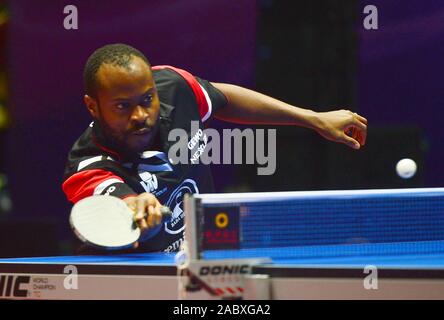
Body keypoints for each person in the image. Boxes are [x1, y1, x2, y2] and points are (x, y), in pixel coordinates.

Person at [62, 43, 367, 253]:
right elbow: (116, 198)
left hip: (199, 262)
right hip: (134, 283)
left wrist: (312, 119)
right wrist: (136, 203)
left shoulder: (175, 87)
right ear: (93, 106)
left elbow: (224, 98)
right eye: (121, 106)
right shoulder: (88, 164)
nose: (140, 115)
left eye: (146, 99)